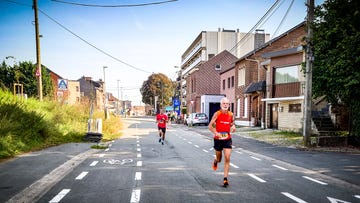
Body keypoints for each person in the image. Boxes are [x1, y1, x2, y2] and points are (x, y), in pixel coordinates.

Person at [208, 97, 236, 187]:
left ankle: (225, 179)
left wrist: (233, 127)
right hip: (218, 139)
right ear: (221, 105)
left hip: (227, 138)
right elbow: (210, 126)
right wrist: (216, 133)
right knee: (219, 159)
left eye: (227, 104)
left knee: (227, 158)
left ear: (228, 105)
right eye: (223, 103)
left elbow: (232, 123)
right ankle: (216, 160)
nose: (225, 105)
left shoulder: (231, 114)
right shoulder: (217, 114)